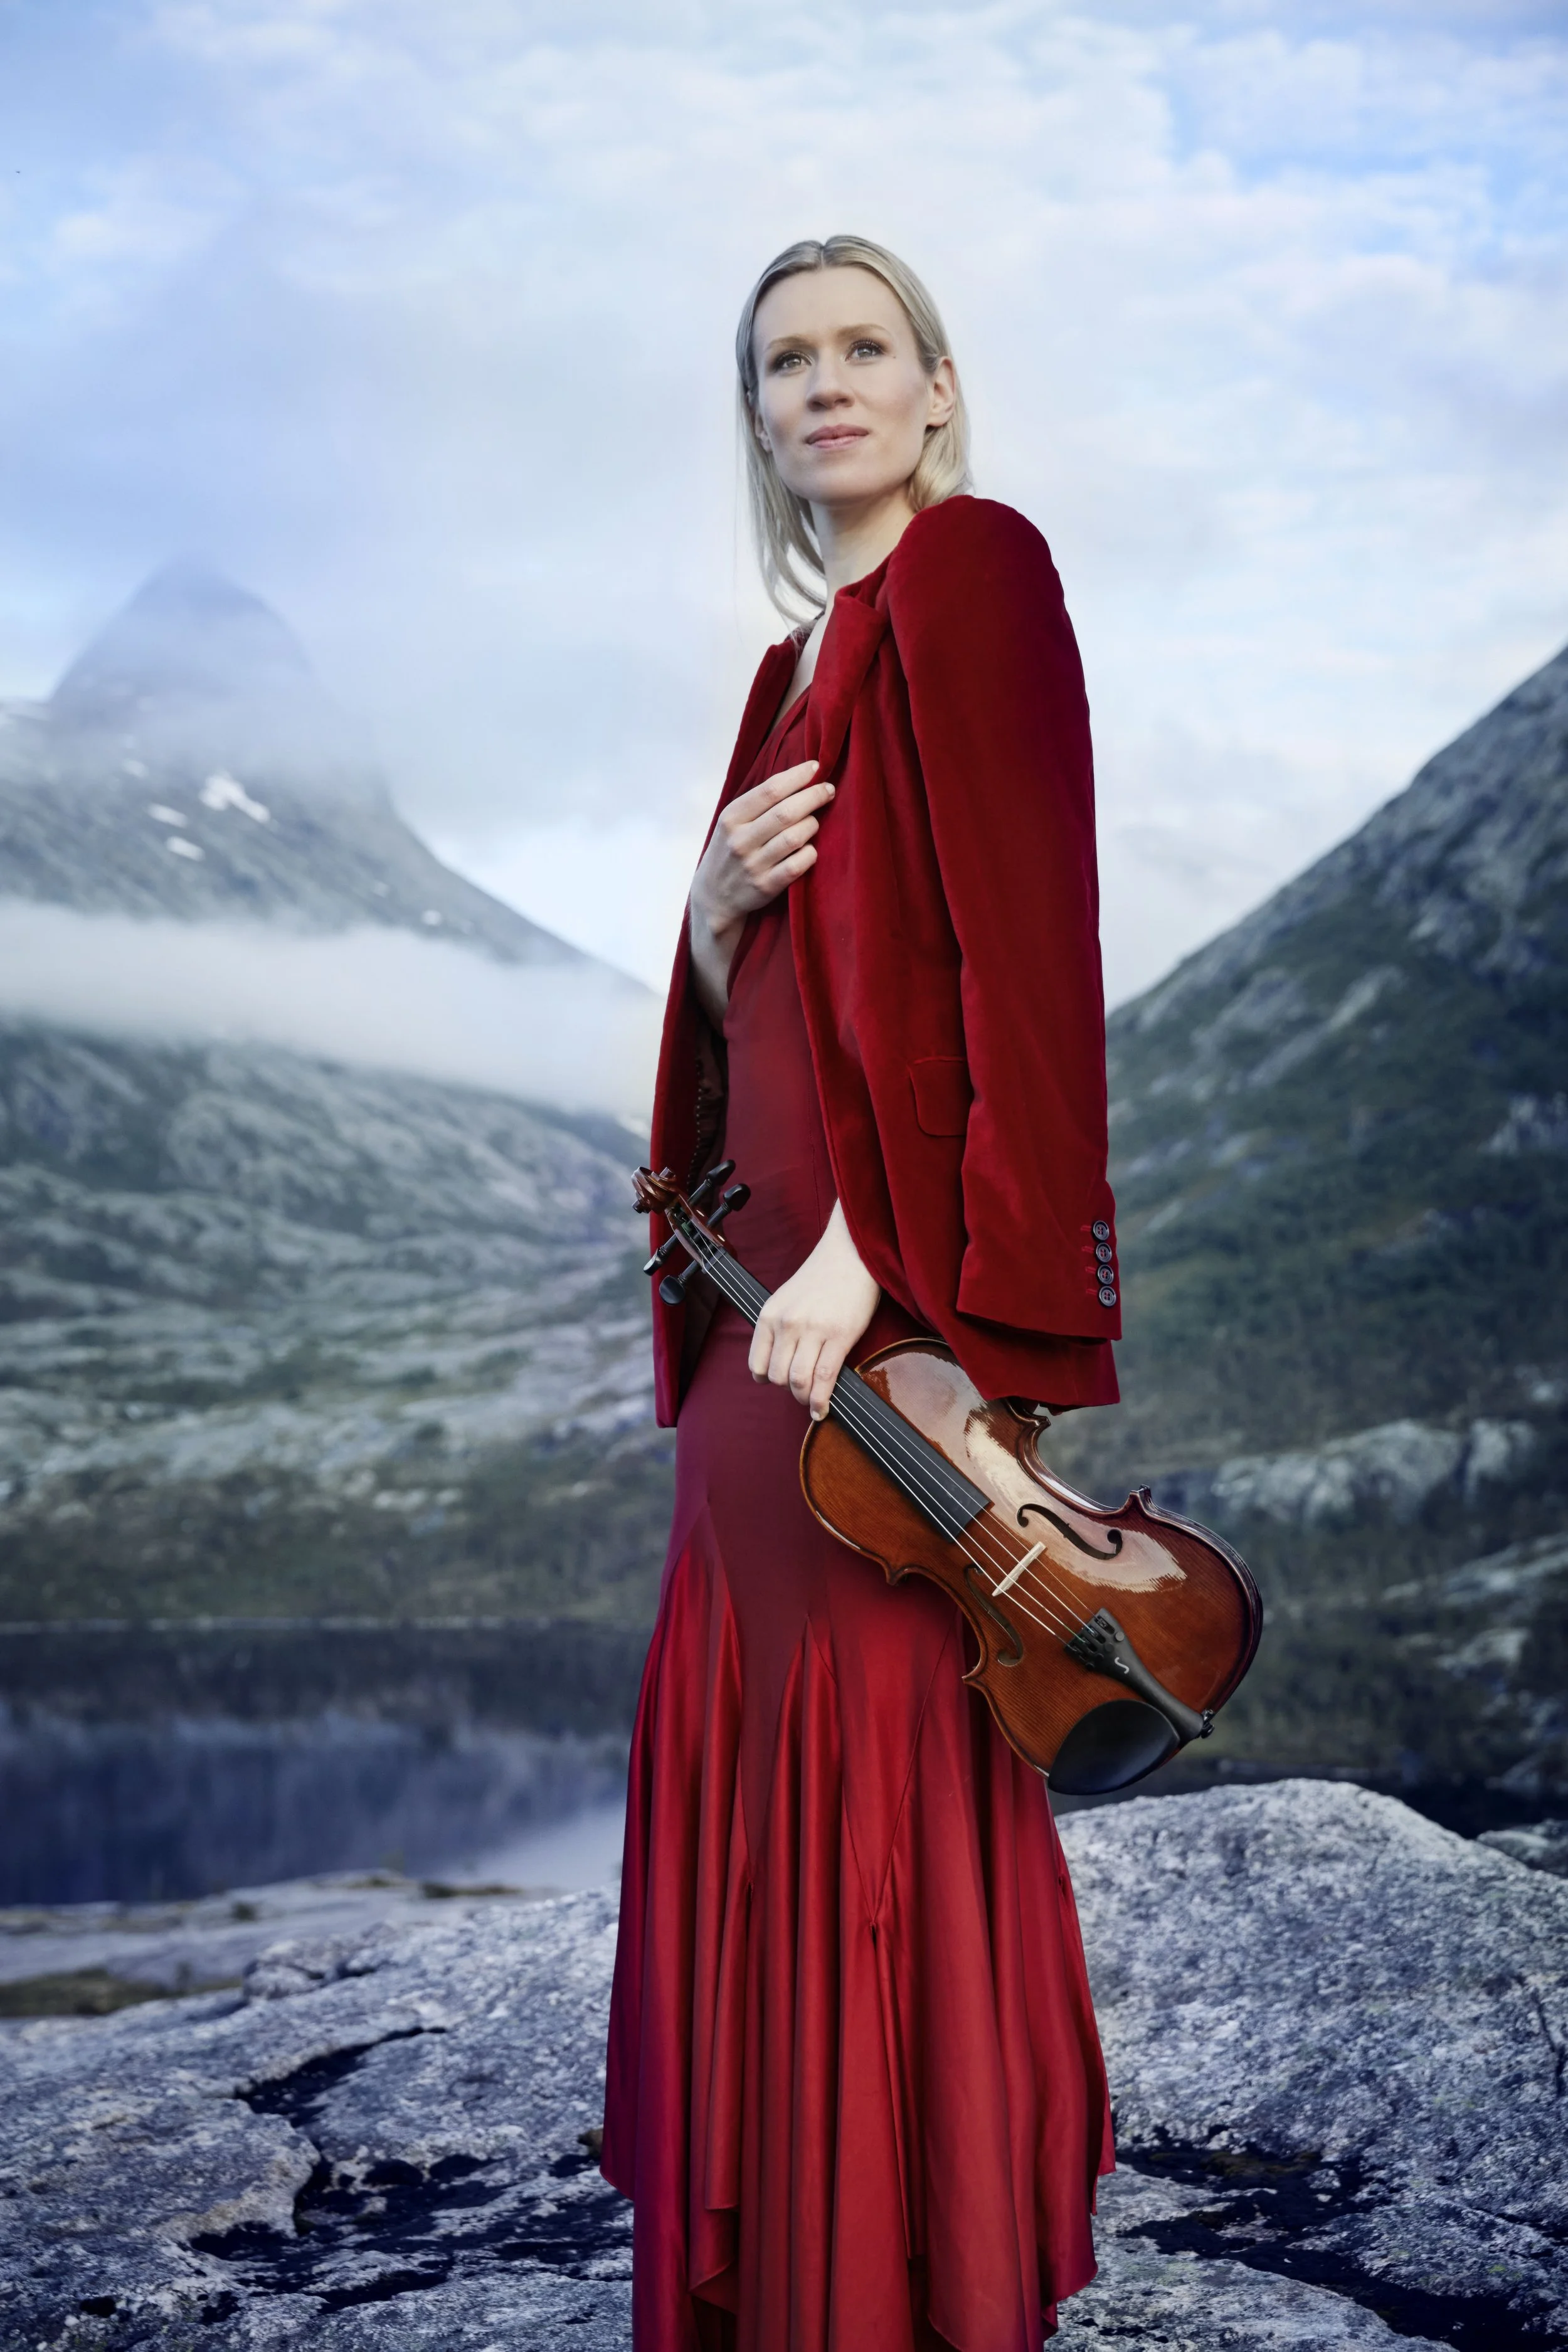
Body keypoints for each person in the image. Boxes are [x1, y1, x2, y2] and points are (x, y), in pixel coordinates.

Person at [602, 234, 1120, 2352]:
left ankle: (908, 2295)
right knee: (761, 1762)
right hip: (758, 1334)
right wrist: (711, 932)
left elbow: (1032, 975)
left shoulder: (976, 577)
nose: (823, 384)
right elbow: (771, 1043)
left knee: (898, 1757)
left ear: (930, 388)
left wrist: (890, 1272)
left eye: (860, 349)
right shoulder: (776, 677)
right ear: (754, 419)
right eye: (781, 361)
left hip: (879, 1313)